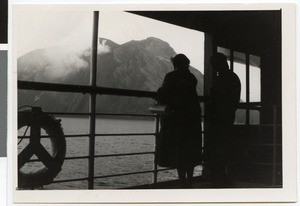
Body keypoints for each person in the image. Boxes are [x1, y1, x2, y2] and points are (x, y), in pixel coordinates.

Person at [156, 53, 202, 188]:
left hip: (177, 120)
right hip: (192, 120)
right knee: (190, 151)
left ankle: (183, 182)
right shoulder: (192, 78)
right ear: (187, 64)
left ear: (175, 64)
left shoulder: (170, 77)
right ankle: (190, 182)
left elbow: (163, 94)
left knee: (179, 152)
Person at [204, 52, 241, 187]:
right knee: (223, 148)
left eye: (214, 65)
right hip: (225, 118)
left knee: (218, 148)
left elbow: (217, 99)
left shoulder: (222, 79)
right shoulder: (232, 78)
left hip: (218, 120)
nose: (213, 68)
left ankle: (219, 178)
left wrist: (211, 113)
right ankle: (222, 177)